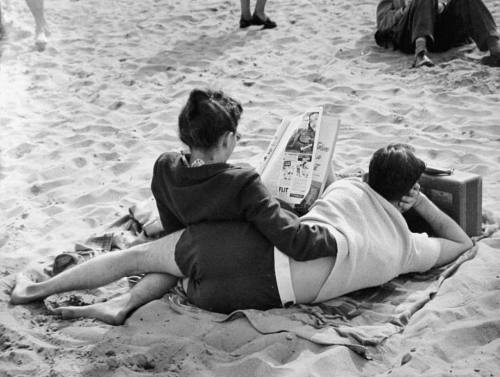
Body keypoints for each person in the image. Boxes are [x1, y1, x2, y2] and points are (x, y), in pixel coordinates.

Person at [10, 144, 473, 325]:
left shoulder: (349, 188)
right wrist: (424, 204)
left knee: (149, 255)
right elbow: (462, 244)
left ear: (371, 176)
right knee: (183, 271)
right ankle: (124, 305)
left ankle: (39, 289)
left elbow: (314, 193)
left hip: (251, 252)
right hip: (246, 295)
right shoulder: (407, 250)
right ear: (407, 192)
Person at [151, 88, 336, 262]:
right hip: (241, 259)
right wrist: (337, 237)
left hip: (193, 254)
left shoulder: (165, 167)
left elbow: (173, 231)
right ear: (227, 139)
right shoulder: (241, 183)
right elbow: (293, 241)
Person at [375, 0, 500, 67]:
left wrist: (441, 7)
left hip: (437, 36)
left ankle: (495, 49)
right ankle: (420, 55)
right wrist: (404, 11)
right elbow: (383, 24)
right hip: (409, 39)